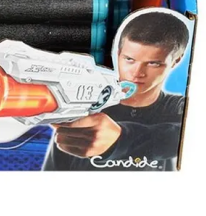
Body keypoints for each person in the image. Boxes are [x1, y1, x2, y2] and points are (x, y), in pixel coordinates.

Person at [43, 10, 190, 171]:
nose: (137, 73)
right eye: (129, 59)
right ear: (118, 53)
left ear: (176, 61)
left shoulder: (179, 107)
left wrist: (121, 138)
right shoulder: (84, 103)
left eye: (153, 63)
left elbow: (186, 135)